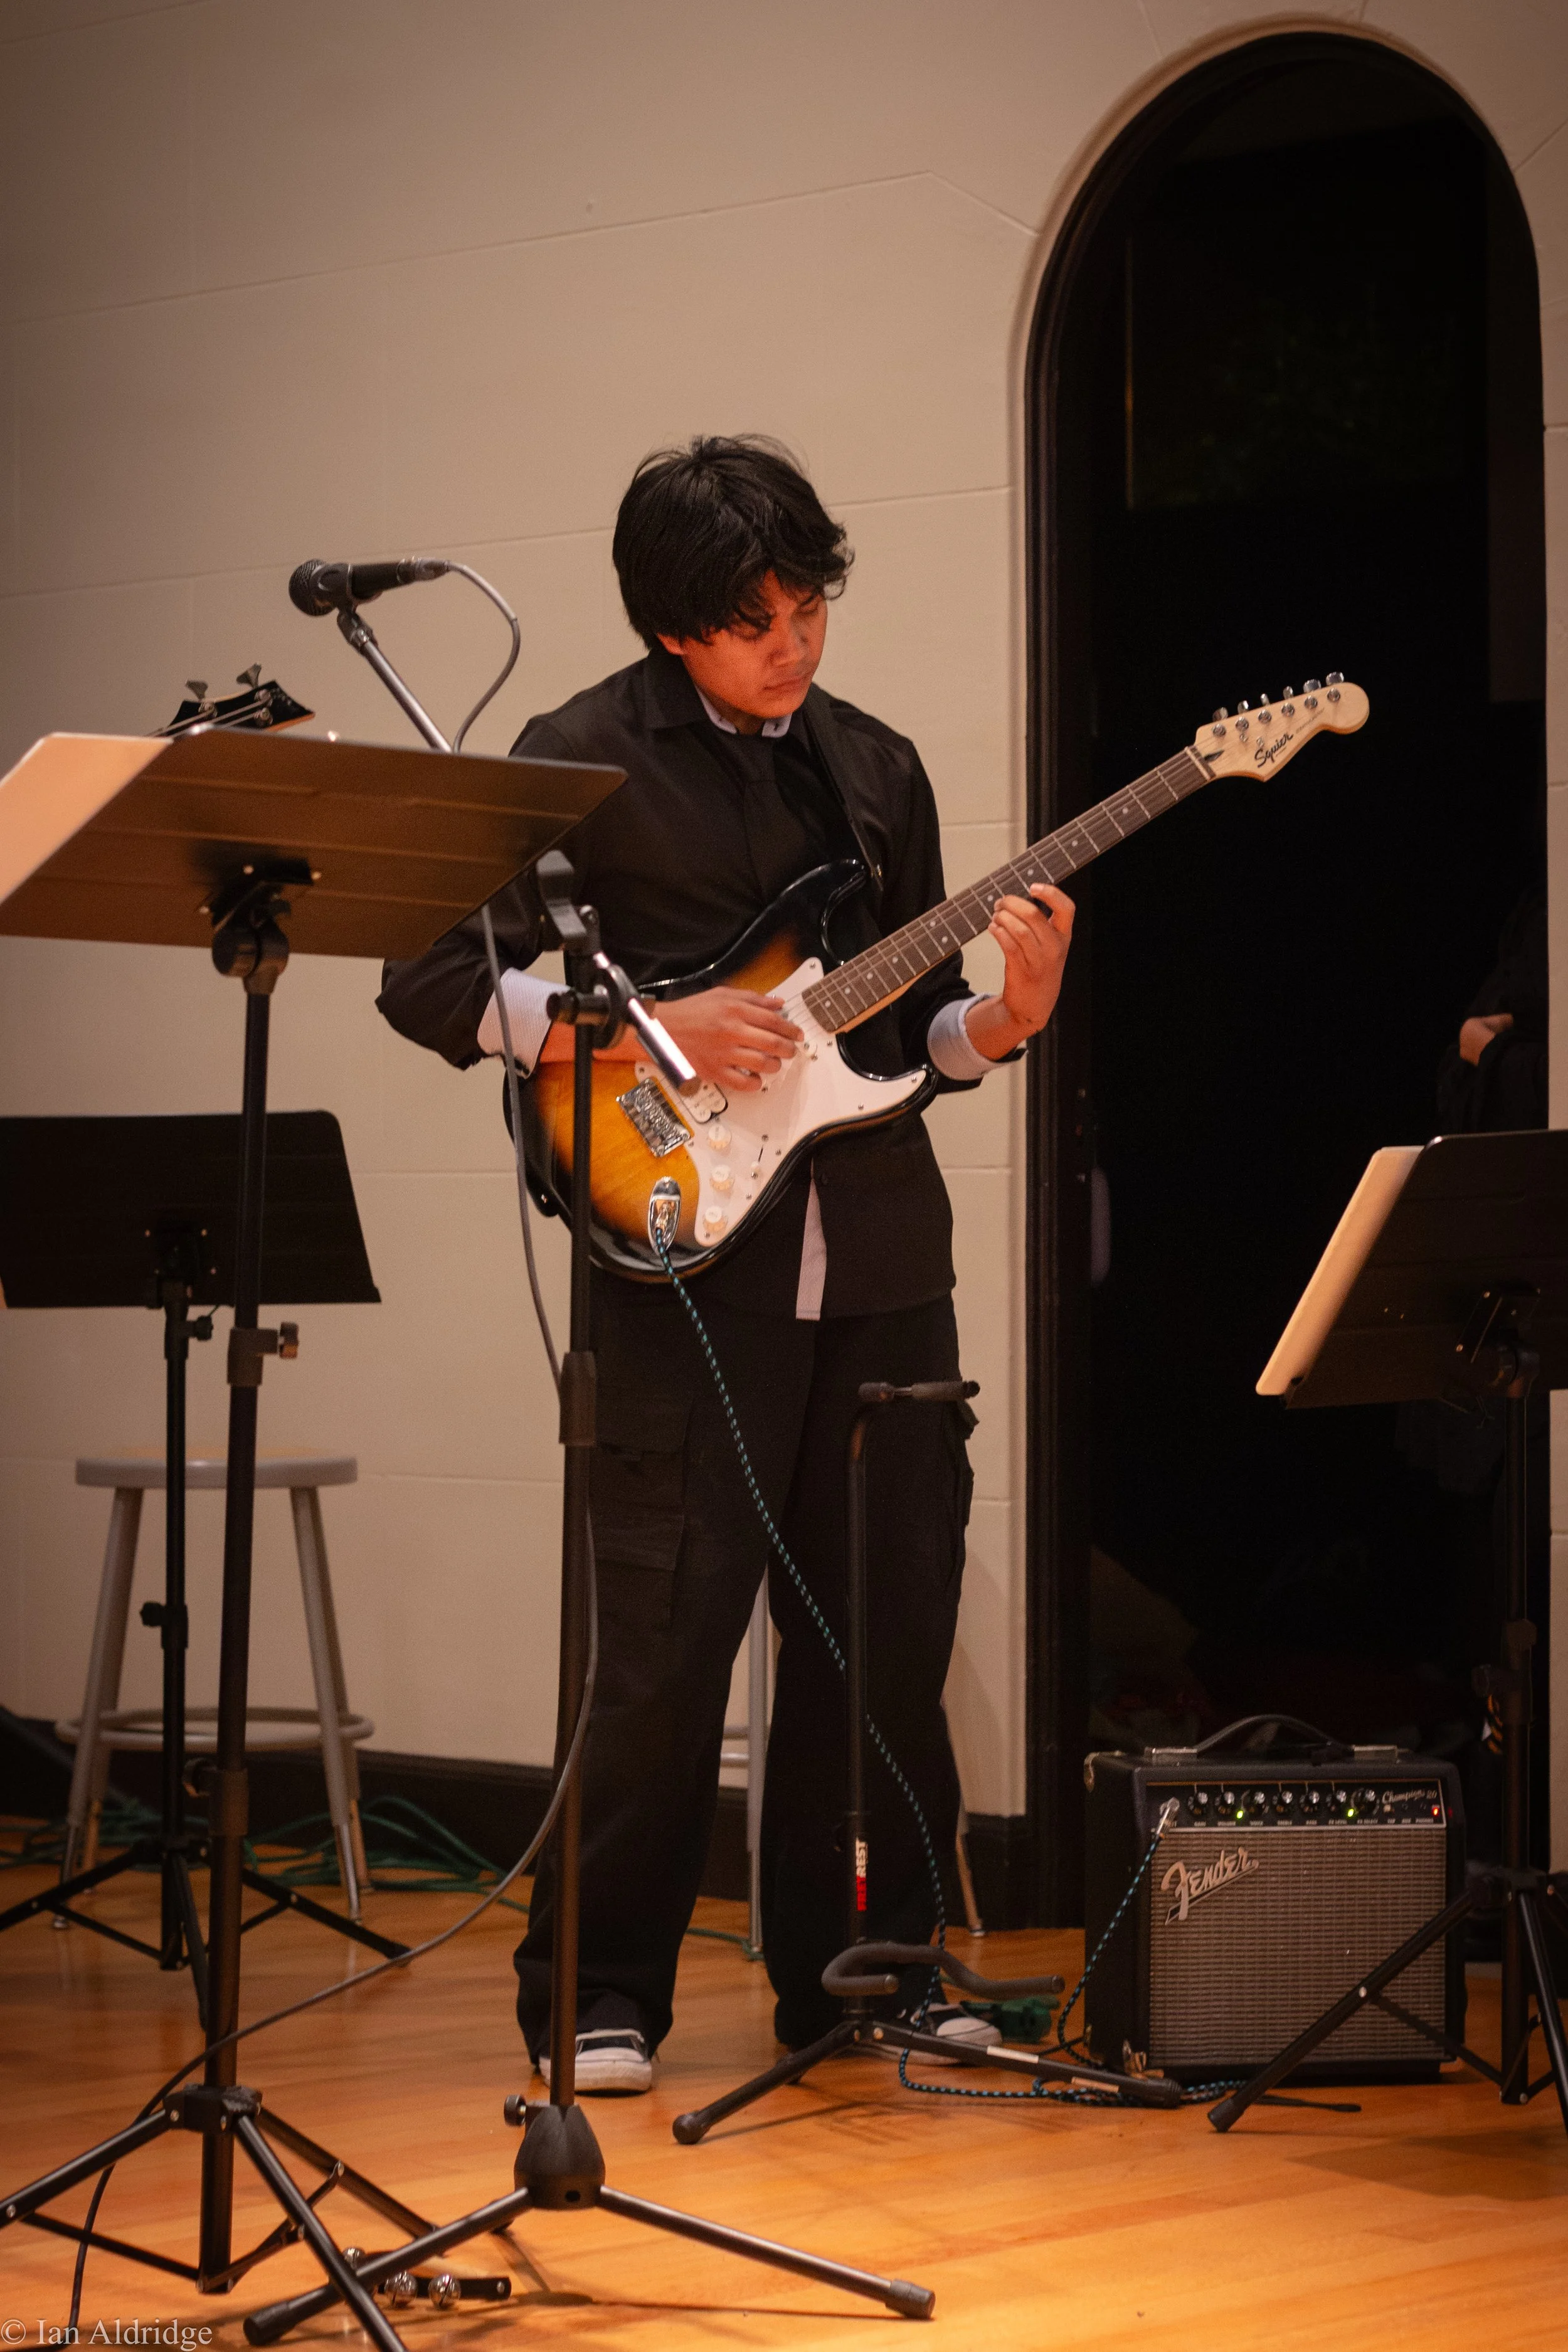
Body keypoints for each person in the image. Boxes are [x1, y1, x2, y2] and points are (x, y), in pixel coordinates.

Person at [378, 437, 1073, 2091]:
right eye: (754, 617)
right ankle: (600, 1989)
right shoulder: (574, 763)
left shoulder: (874, 767)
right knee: (665, 1645)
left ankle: (868, 1972)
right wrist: (635, 1018)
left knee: (884, 1635)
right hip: (682, 1263)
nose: (792, 640)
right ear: (671, 623)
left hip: (882, 1251)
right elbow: (426, 982)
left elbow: (901, 1036)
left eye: (809, 602)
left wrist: (1004, 1019)